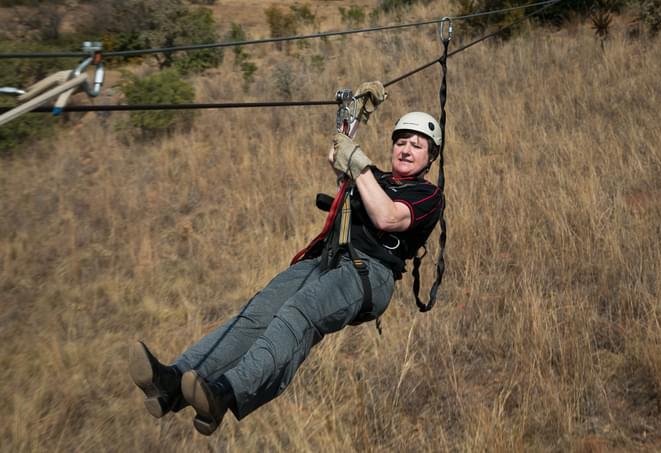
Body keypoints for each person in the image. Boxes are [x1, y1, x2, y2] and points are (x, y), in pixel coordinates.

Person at [129, 92, 444, 436]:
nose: (406, 149)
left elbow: (387, 217)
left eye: (417, 145)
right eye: (401, 142)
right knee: (257, 314)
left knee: (299, 313)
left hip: (367, 273)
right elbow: (339, 155)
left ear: (430, 158)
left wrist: (358, 163)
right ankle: (173, 381)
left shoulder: (426, 195)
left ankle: (223, 393)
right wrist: (350, 118)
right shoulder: (376, 178)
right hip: (328, 258)